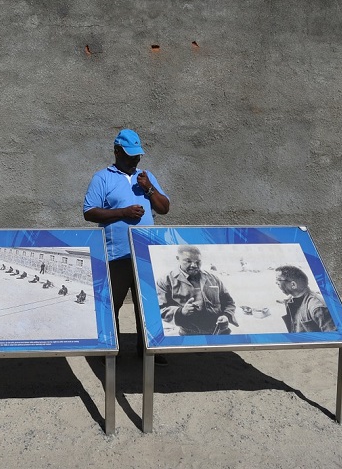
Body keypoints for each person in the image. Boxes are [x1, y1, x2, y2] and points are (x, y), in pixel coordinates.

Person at [84, 129, 170, 364]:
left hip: (145, 253)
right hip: (116, 253)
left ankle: (150, 351)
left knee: (148, 304)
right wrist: (123, 212)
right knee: (113, 303)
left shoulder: (146, 176)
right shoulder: (102, 178)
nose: (135, 160)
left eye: (138, 155)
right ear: (116, 151)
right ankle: (112, 350)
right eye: (130, 155)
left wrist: (149, 189)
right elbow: (89, 212)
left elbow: (164, 208)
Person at [157, 245, 238, 335]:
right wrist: (181, 312)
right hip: (189, 335)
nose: (194, 265)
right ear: (178, 258)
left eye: (198, 262)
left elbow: (229, 302)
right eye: (188, 261)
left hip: (220, 332)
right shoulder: (166, 281)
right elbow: (160, 309)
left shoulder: (213, 278)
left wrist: (226, 316)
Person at [275, 265, 336, 332]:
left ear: (293, 285)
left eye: (278, 280)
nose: (276, 283)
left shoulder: (317, 307)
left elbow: (332, 337)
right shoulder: (293, 298)